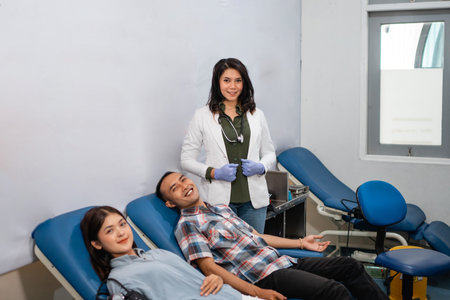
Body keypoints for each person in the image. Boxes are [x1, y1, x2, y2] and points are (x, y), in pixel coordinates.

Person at [156, 172, 390, 300]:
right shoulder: (187, 224)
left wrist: (300, 242)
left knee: (350, 266)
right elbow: (209, 269)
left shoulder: (220, 208)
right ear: (169, 202)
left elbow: (257, 236)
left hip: (283, 261)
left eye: (183, 179)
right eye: (175, 188)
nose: (184, 186)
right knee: (334, 291)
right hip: (264, 276)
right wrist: (257, 292)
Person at [80, 205, 261, 300]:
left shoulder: (158, 254)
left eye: (122, 224)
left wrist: (216, 278)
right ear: (97, 244)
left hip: (234, 296)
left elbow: (196, 282)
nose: (121, 232)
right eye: (109, 230)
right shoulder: (119, 279)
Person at [180, 58, 276, 233]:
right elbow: (186, 160)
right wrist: (214, 172)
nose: (233, 86)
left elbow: (270, 153)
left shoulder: (257, 115)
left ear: (244, 83)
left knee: (256, 252)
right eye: (226, 80)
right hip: (219, 201)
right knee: (228, 255)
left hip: (253, 202)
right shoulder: (202, 116)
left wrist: (261, 166)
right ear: (217, 83)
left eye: (238, 80)